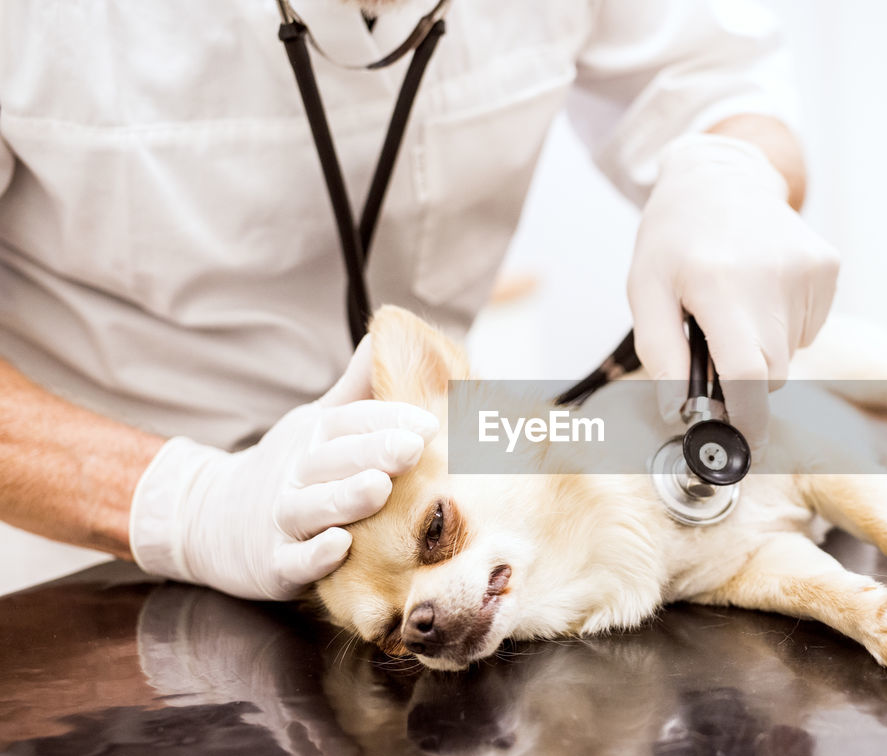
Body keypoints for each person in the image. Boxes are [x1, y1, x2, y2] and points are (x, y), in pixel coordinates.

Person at [0, 0, 838, 600]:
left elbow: (717, 81)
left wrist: (731, 174)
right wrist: (186, 504)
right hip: (84, 561)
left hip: (425, 543)